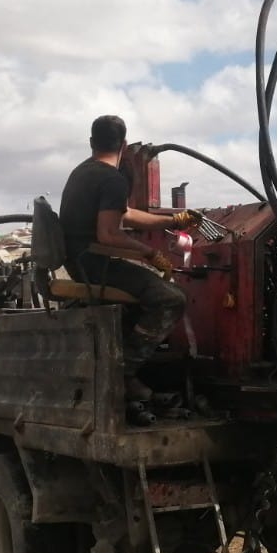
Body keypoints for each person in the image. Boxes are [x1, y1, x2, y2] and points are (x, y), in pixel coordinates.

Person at [59, 114, 196, 401]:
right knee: (172, 299)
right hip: (94, 264)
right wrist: (150, 253)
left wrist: (172, 220)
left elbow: (126, 214)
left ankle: (119, 360)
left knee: (146, 295)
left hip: (80, 262)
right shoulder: (111, 179)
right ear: (123, 144)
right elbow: (109, 234)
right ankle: (123, 374)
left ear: (91, 142)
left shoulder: (83, 172)